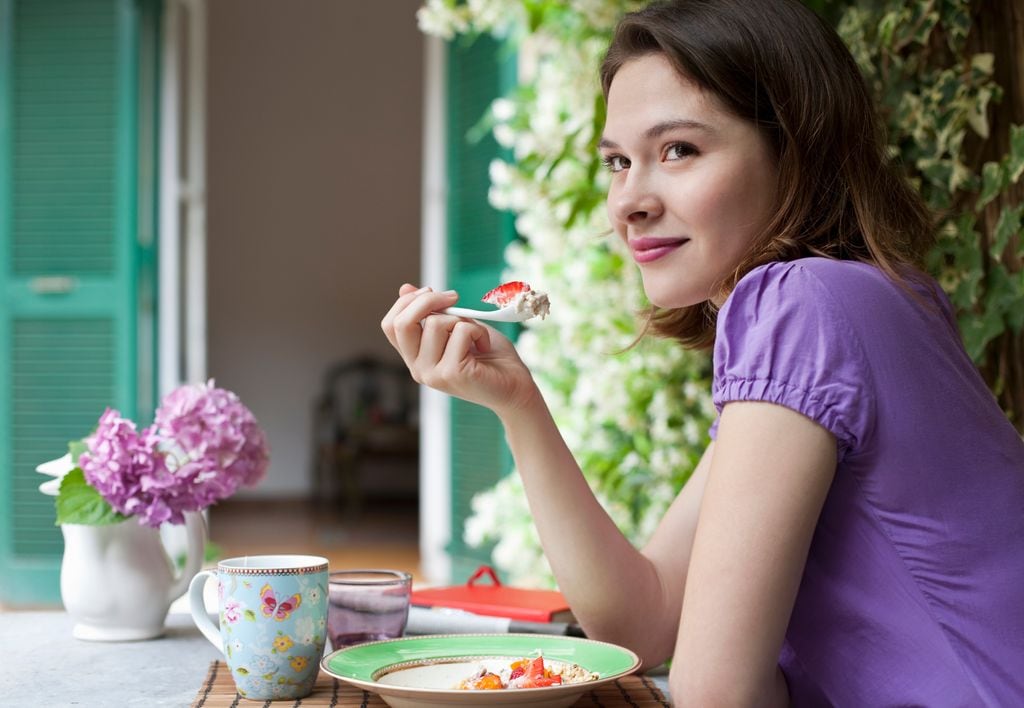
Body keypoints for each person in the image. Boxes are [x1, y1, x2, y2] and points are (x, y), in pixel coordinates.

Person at [382, 0, 1024, 704]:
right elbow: (643, 621)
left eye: (678, 150)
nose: (629, 200)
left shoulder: (801, 305)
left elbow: (715, 693)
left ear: (794, 147)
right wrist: (518, 403)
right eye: (618, 161)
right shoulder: (869, 303)